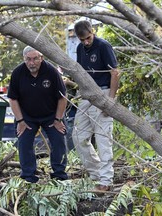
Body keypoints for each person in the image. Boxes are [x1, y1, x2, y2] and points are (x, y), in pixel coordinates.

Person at [7, 46, 68, 183]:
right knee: (24, 141)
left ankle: (59, 175)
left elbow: (63, 97)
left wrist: (58, 119)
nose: (32, 63)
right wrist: (20, 121)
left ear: (41, 58)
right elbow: (13, 98)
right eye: (28, 59)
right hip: (27, 116)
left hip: (51, 114)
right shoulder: (18, 73)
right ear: (24, 59)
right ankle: (28, 176)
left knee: (59, 140)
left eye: (35, 59)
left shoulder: (51, 71)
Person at [72, 20, 120, 192]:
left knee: (102, 138)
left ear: (93, 32)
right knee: (78, 136)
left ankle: (106, 180)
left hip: (104, 93)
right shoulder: (79, 48)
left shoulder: (103, 46)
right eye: (82, 39)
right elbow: (81, 72)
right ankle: (97, 174)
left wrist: (111, 100)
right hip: (86, 95)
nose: (86, 42)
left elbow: (114, 73)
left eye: (88, 38)